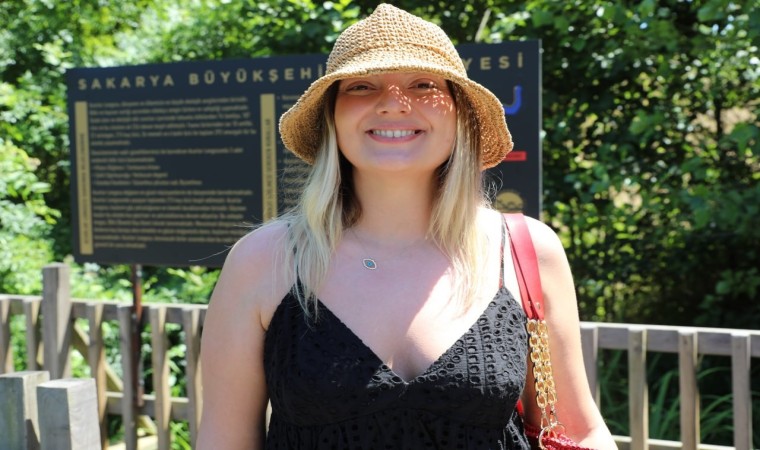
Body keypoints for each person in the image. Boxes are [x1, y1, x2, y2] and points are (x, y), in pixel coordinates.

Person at [197, 4, 616, 449]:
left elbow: (579, 432)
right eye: (362, 86)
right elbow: (225, 439)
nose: (394, 103)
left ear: (459, 113)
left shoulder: (525, 250)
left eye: (423, 84)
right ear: (332, 117)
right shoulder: (264, 260)